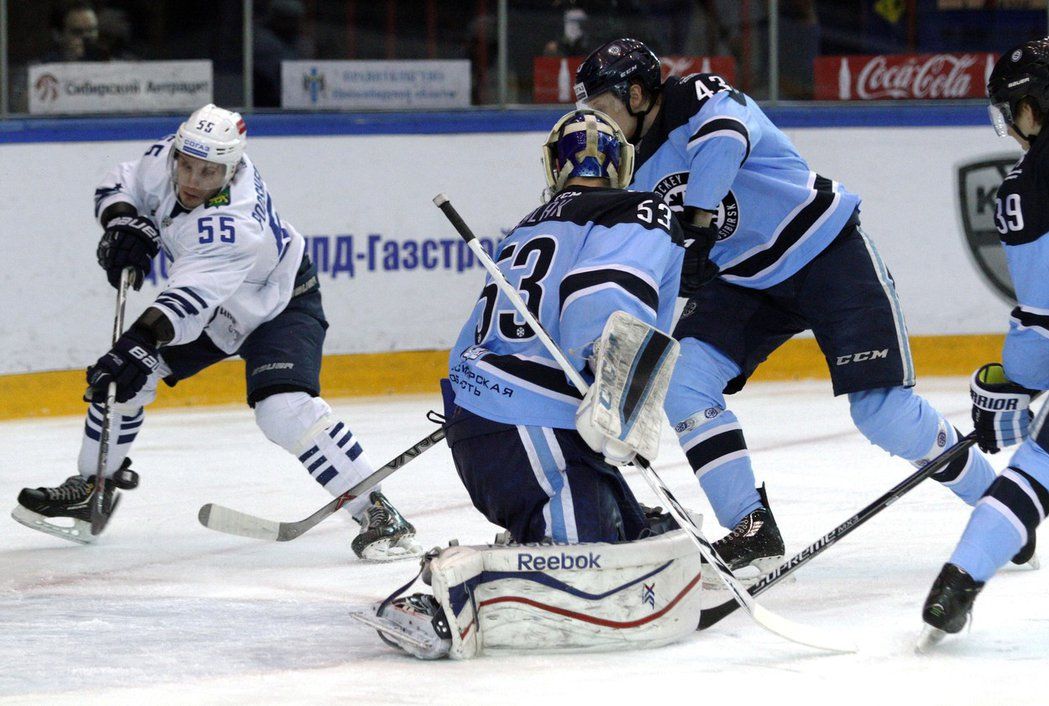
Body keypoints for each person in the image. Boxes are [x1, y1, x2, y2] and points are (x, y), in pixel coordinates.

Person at [572, 38, 998, 575]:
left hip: (823, 248)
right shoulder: (628, 168)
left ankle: (994, 502)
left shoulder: (695, 96)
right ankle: (751, 525)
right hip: (745, 282)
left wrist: (699, 223)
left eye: (604, 110)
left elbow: (725, 142)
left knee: (883, 414)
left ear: (637, 94)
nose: (601, 126)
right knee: (681, 381)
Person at [11, 103, 420, 562]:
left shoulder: (233, 224)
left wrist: (139, 343)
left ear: (232, 167)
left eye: (207, 173)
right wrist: (122, 219)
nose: (190, 181)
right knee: (125, 379)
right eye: (186, 165)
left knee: (282, 410)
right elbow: (120, 179)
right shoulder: (172, 158)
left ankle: (378, 509)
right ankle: (94, 487)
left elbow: (186, 302)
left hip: (276, 304)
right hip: (217, 308)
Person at [356, 109, 697, 659]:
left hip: (501, 424)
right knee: (588, 560)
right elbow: (603, 297)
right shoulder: (641, 208)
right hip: (532, 425)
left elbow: (469, 340)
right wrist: (611, 391)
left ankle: (531, 547)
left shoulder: (532, 224)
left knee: (632, 536)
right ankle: (442, 599)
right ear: (623, 164)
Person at [918, 39, 1049, 648]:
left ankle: (959, 580)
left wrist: (1013, 384)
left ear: (1031, 108)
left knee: (1040, 465)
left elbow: (1042, 320)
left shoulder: (1026, 186)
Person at [39, 1, 104, 63]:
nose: (87, 37)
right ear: (57, 35)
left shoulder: (106, 61)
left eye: (92, 30)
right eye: (77, 32)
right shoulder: (44, 68)